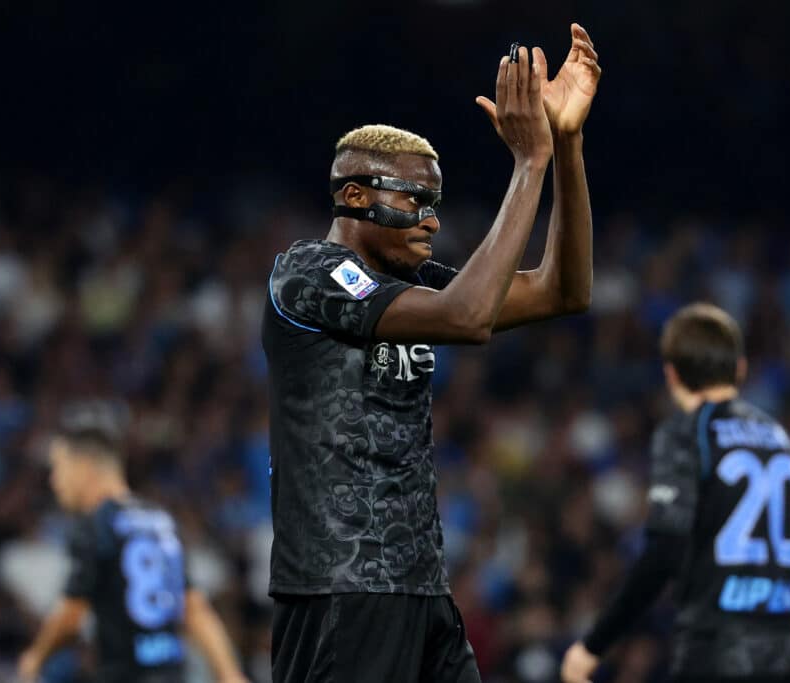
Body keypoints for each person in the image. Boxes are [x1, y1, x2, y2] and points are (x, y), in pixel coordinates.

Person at [263, 23, 601, 683]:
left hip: (421, 587)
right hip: (340, 589)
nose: (431, 219)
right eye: (413, 199)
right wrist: (528, 163)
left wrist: (565, 144)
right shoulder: (307, 274)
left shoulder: (412, 286)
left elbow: (565, 289)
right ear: (355, 196)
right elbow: (469, 318)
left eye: (435, 202)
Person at [560, 303, 790, 683]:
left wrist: (593, 646)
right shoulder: (779, 439)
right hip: (783, 659)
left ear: (672, 375)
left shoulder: (685, 434)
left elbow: (665, 550)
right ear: (740, 369)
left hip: (714, 653)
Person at [18, 402, 249, 683]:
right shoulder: (160, 520)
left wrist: (35, 657)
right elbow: (194, 608)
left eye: (59, 468)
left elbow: (71, 615)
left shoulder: (96, 525)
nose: (55, 481)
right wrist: (229, 673)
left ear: (85, 467)